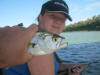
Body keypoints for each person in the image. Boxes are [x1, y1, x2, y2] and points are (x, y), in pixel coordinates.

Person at [2, 0, 84, 75]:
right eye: (53, 16)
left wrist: (66, 66)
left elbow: (51, 65)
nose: (58, 21)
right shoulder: (40, 42)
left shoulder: (44, 41)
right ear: (40, 17)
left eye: (62, 19)